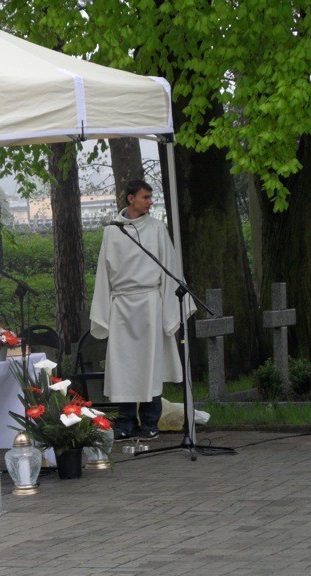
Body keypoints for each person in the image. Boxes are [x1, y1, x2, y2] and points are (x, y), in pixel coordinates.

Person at [89, 179, 190, 441]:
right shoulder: (113, 231)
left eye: (150, 197)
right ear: (131, 198)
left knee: (149, 363)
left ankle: (149, 420)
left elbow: (170, 267)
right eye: (145, 197)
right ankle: (124, 421)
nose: (150, 202)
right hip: (122, 304)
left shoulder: (156, 228)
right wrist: (103, 310)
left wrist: (169, 308)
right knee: (123, 365)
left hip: (148, 304)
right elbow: (104, 272)